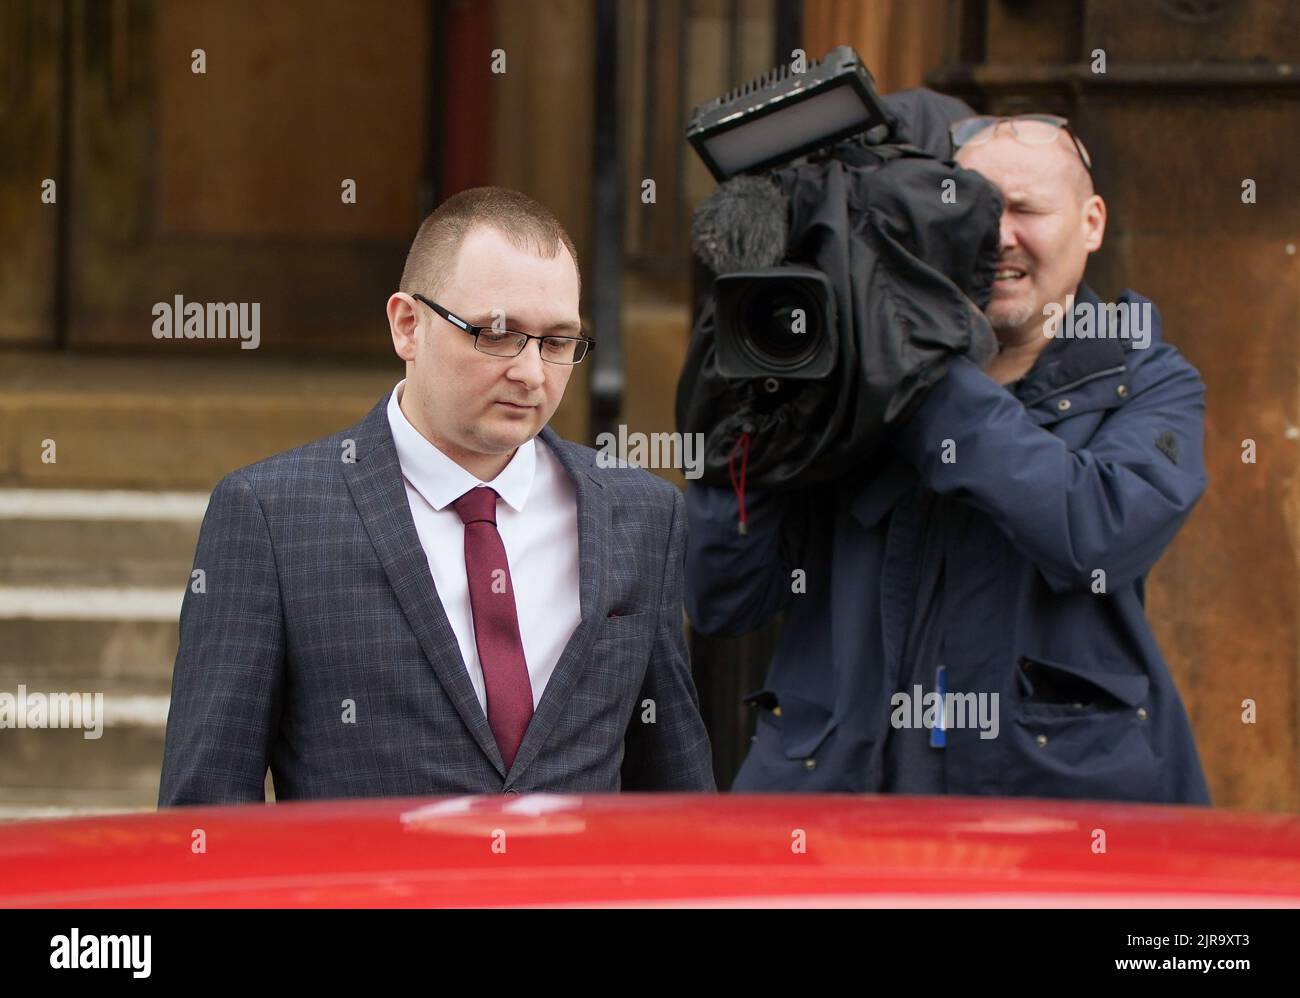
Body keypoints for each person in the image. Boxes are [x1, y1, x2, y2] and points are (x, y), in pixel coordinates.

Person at [685, 114, 1210, 803]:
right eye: (969, 208)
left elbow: (1096, 534)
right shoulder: (846, 378)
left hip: (1050, 817)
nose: (997, 235)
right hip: (836, 808)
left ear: (1091, 223)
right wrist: (744, 413)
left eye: (1025, 210)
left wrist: (914, 367)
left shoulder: (1149, 379)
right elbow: (724, 597)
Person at [160, 186, 714, 804]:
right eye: (497, 334)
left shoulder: (642, 515)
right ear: (407, 325)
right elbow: (204, 813)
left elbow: (674, 796)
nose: (531, 373)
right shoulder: (271, 517)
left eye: (558, 343)